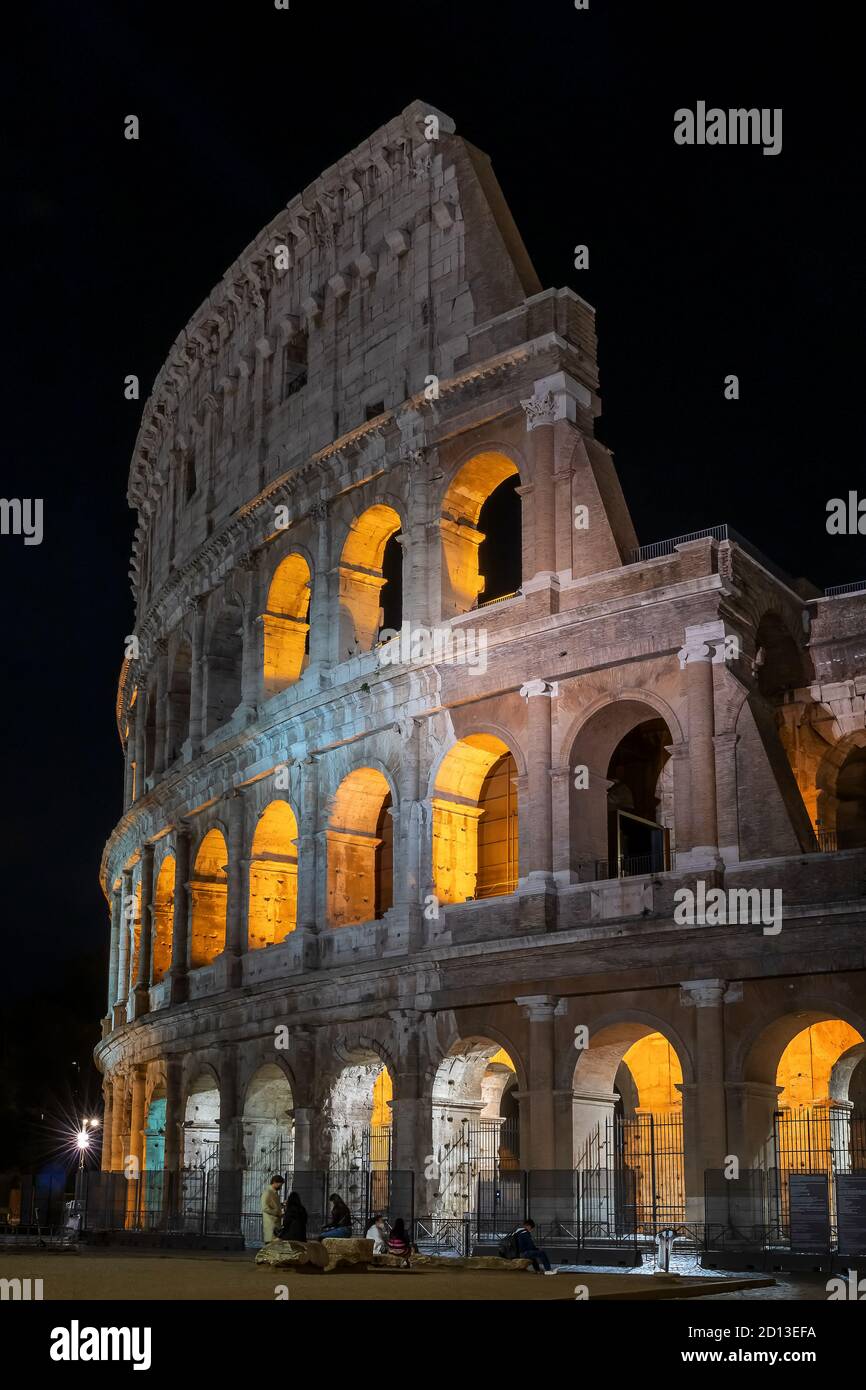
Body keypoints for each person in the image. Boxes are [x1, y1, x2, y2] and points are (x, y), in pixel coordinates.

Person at [260, 1174, 285, 1244]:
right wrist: (277, 1213)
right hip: (271, 1224)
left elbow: (273, 1205)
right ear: (274, 1182)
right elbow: (265, 1208)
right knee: (271, 1247)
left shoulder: (274, 1193)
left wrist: (282, 1204)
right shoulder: (267, 1193)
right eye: (280, 1184)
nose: (281, 1187)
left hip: (276, 1224)